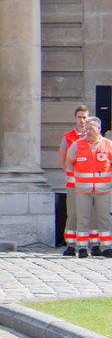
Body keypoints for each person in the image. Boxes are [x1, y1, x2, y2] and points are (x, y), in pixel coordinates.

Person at [64, 115, 112, 258]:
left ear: (99, 129)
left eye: (92, 128)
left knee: (104, 219)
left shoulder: (108, 145)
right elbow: (69, 163)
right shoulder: (77, 145)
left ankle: (106, 247)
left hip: (103, 190)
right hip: (83, 190)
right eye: (87, 128)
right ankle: (82, 247)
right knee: (82, 219)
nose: (88, 131)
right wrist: (75, 179)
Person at [59, 105, 90, 256]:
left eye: (85, 117)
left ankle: (93, 244)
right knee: (73, 214)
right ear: (75, 118)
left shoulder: (94, 137)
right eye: (80, 117)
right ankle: (71, 244)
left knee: (92, 214)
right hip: (74, 183)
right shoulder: (68, 136)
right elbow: (63, 161)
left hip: (92, 184)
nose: (82, 120)